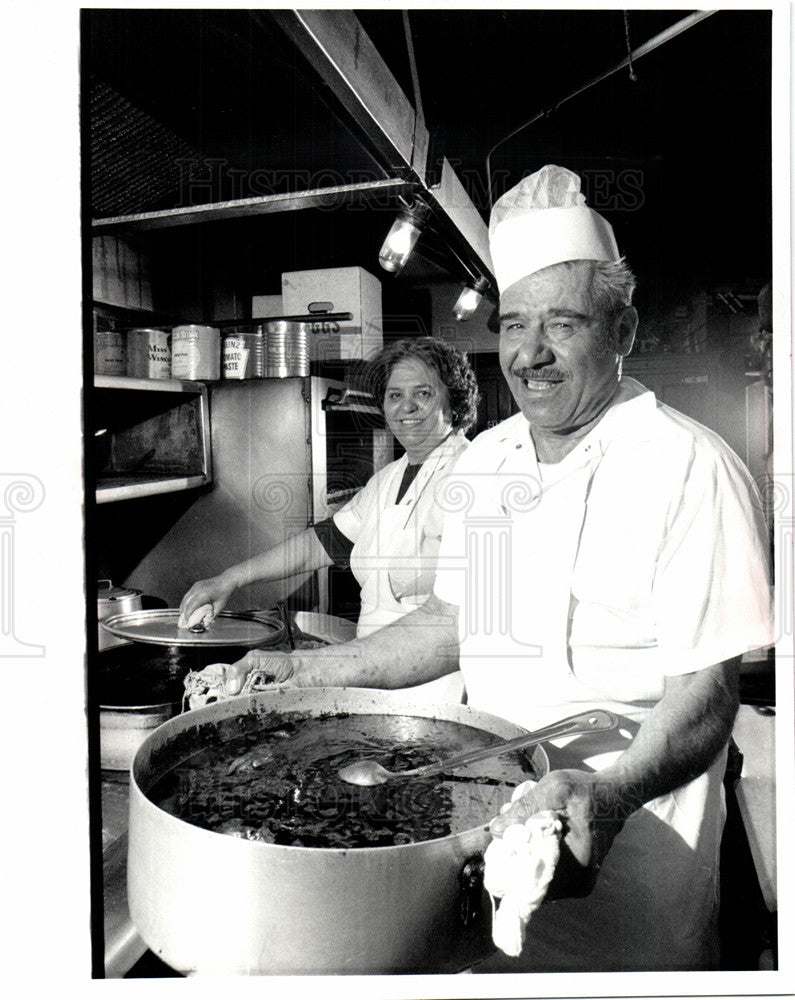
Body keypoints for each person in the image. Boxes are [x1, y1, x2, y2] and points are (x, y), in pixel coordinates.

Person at [219, 165, 774, 971]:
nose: (530, 354)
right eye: (514, 326)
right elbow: (454, 625)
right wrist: (298, 677)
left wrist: (612, 799)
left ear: (621, 331)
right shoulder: (488, 462)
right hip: (485, 821)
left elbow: (706, 687)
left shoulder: (688, 466)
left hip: (632, 845)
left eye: (563, 324)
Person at [179, 336, 479, 699]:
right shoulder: (389, 478)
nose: (407, 407)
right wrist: (230, 579)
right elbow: (322, 543)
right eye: (395, 395)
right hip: (367, 675)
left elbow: (462, 624)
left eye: (424, 393)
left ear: (454, 401)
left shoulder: (474, 474)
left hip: (441, 687)